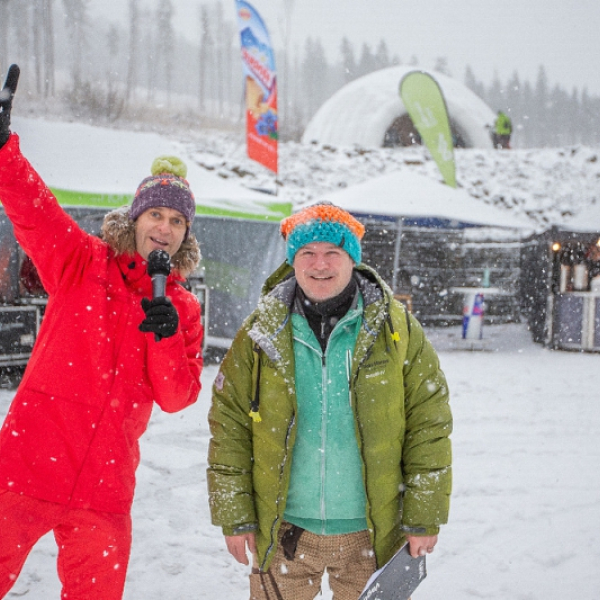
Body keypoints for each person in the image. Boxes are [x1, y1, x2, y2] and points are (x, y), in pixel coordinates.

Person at [0, 64, 203, 599]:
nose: (163, 226)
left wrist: (164, 335)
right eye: (155, 213)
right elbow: (33, 212)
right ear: (135, 217)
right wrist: (4, 153)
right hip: (27, 464)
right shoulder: (82, 262)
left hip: (105, 486)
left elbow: (179, 396)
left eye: (176, 221)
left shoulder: (181, 305)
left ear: (185, 235)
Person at [207, 202, 452, 600]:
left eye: (332, 253)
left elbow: (430, 422)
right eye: (307, 253)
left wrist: (424, 515)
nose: (319, 264)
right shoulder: (260, 333)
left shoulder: (397, 328)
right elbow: (229, 425)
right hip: (284, 530)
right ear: (293, 260)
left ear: (352, 259)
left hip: (371, 533)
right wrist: (235, 517)